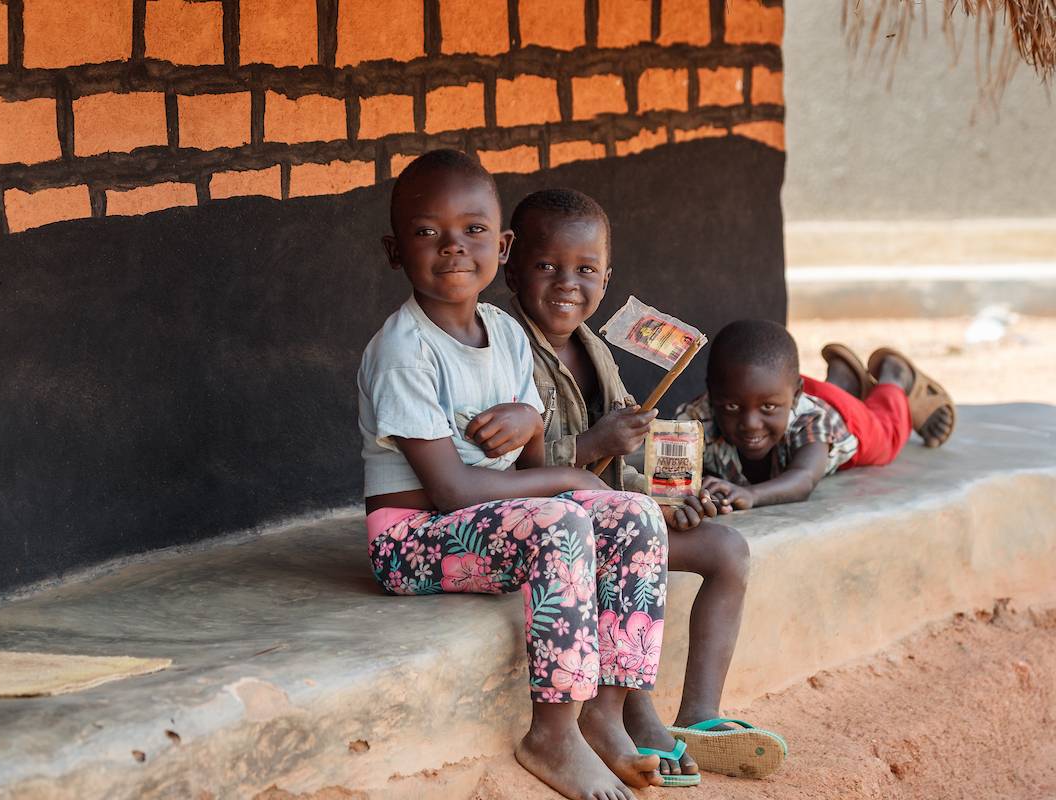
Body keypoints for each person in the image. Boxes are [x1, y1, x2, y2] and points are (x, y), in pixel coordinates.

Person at [358, 150, 685, 799]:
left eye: (473, 230)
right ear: (396, 250)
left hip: (494, 525)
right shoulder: (403, 351)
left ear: (500, 245)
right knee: (566, 516)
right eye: (429, 232)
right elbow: (452, 491)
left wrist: (533, 429)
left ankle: (606, 711)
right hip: (412, 541)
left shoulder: (506, 335)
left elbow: (533, 470)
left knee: (635, 514)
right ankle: (553, 733)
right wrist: (574, 483)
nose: (454, 247)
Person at [503, 188, 786, 781]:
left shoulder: (596, 350)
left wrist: (671, 497)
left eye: (585, 270)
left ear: (608, 279)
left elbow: (622, 467)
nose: (566, 284)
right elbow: (505, 475)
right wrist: (595, 445)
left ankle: (700, 715)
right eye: (546, 266)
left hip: (613, 518)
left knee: (725, 549)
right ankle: (634, 709)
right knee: (637, 543)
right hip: (553, 535)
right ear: (510, 265)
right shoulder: (504, 351)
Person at [679, 319, 956, 509]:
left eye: (766, 408)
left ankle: (895, 378)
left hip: (845, 419)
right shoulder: (697, 418)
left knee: (886, 436)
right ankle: (842, 381)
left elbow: (803, 479)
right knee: (765, 396)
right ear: (712, 395)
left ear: (797, 395)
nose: (750, 424)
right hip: (778, 390)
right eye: (731, 407)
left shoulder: (812, 419)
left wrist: (751, 495)